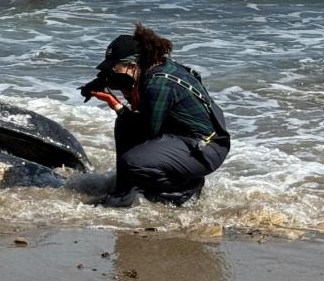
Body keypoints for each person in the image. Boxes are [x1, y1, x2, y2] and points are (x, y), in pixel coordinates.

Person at [79, 22, 230, 208]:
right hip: (187, 140)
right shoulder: (156, 67)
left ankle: (184, 189)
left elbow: (147, 132)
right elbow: (141, 120)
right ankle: (124, 190)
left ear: (132, 65)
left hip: (205, 149)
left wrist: (115, 103)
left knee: (133, 163)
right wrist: (107, 85)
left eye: (115, 69)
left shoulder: (158, 83)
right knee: (124, 124)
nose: (112, 73)